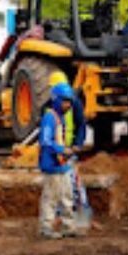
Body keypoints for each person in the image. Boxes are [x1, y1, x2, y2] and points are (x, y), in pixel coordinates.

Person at [38, 82, 80, 240]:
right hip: (52, 165)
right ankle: (46, 228)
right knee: (50, 198)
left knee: (67, 197)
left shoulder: (60, 117)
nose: (67, 105)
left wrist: (68, 150)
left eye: (69, 101)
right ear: (56, 100)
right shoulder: (50, 117)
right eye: (65, 101)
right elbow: (46, 142)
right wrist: (63, 150)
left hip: (62, 165)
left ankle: (69, 226)